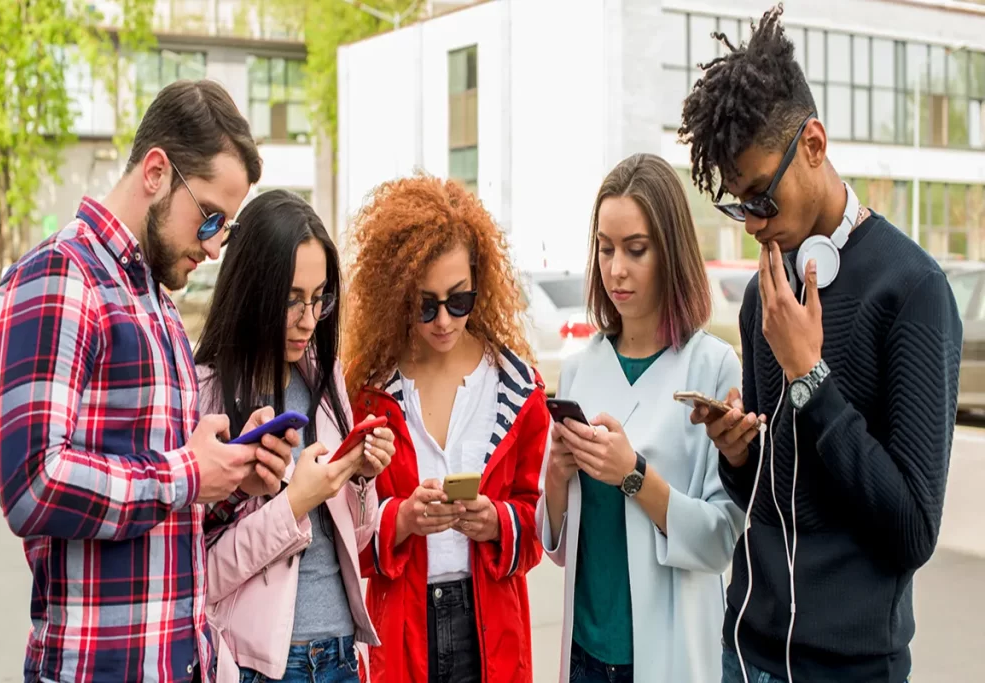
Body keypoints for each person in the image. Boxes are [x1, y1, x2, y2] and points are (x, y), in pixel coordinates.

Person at [678, 5, 963, 683]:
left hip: (852, 669)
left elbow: (911, 531)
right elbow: (770, 497)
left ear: (813, 143)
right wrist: (738, 454)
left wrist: (809, 377)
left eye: (761, 198)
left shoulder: (914, 291)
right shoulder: (763, 298)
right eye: (737, 204)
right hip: (744, 654)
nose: (752, 224)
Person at [0, 80, 296, 683]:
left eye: (223, 229)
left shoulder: (153, 297)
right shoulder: (60, 275)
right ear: (156, 171)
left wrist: (231, 472)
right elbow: (32, 483)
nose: (213, 247)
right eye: (209, 217)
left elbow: (169, 503)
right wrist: (188, 473)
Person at [535, 153, 745, 683]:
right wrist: (557, 476)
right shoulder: (581, 370)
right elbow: (558, 545)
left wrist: (634, 475)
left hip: (670, 657)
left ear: (670, 251)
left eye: (636, 250)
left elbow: (722, 538)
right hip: (584, 653)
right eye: (605, 249)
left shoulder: (713, 367)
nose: (616, 269)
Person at [342, 175, 550, 683]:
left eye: (459, 300)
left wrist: (498, 522)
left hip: (493, 632)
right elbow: (346, 533)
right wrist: (402, 518)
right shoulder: (368, 395)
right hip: (401, 630)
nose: (443, 321)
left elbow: (542, 521)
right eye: (424, 304)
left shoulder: (518, 390)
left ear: (480, 283)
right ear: (396, 296)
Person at [194, 190, 396, 683]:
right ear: (252, 291)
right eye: (290, 300)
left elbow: (359, 540)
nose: (308, 320)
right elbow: (201, 574)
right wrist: (294, 505)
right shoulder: (206, 393)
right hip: (263, 666)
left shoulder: (321, 379)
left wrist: (361, 477)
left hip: (342, 653)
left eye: (318, 298)